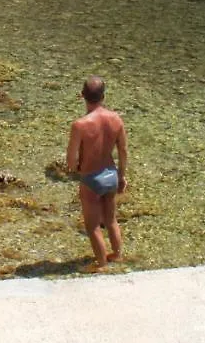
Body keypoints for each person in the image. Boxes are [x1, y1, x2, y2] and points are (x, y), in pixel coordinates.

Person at [66, 75, 128, 271]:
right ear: (103, 96)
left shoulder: (80, 125)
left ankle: (101, 263)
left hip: (91, 178)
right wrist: (121, 175)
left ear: (82, 95)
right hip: (110, 174)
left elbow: (71, 158)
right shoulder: (116, 119)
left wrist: (75, 169)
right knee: (110, 220)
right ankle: (117, 255)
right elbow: (123, 151)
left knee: (92, 226)